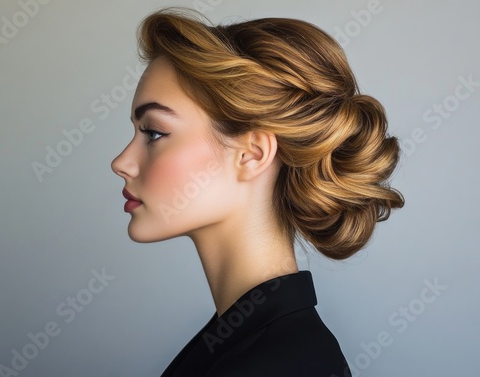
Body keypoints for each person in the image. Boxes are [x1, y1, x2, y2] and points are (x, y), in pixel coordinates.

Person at [111, 7, 404, 377]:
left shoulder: (280, 363)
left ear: (252, 154)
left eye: (153, 132)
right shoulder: (250, 341)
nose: (121, 162)